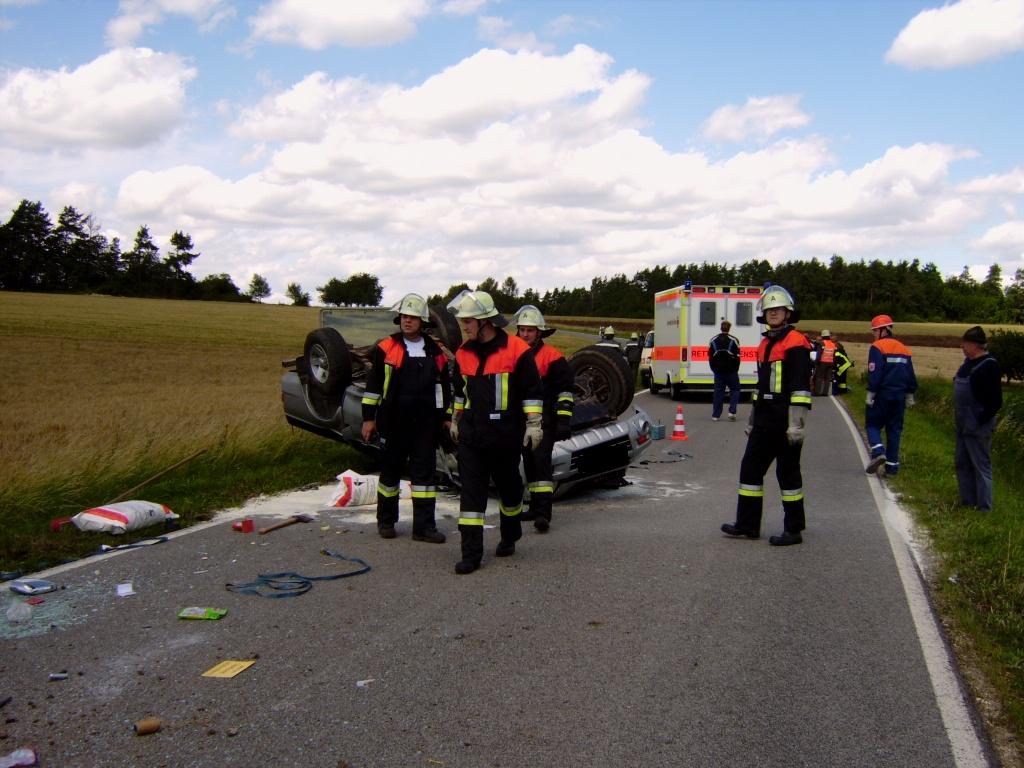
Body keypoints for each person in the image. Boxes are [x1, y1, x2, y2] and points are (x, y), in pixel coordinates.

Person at [447, 290, 544, 574]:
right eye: (462, 321)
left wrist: (534, 424)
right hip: (472, 435)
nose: (464, 327)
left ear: (485, 321)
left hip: (505, 434)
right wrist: (455, 419)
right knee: (471, 493)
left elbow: (531, 391)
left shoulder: (517, 350)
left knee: (509, 487)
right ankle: (471, 554)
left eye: (468, 321)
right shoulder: (463, 352)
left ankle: (510, 533)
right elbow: (459, 392)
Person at [721, 286, 811, 546]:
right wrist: (752, 420)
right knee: (750, 469)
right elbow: (760, 389)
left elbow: (800, 388)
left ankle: (793, 529)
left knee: (788, 475)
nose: (773, 313)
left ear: (788, 313)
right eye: (769, 310)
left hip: (785, 420)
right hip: (763, 420)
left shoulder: (796, 342)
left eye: (778, 309)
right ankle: (747, 524)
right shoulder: (765, 344)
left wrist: (796, 425)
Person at [361, 293, 451, 543]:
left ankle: (424, 528)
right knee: (389, 475)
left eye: (412, 317)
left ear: (422, 322)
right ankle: (386, 522)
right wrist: (369, 419)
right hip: (394, 422)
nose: (407, 321)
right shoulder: (386, 348)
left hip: (426, 425)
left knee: (424, 478)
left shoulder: (435, 352)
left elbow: (443, 388)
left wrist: (445, 417)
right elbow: (373, 387)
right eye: (403, 317)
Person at [513, 305, 575, 533]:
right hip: (519, 421)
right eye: (522, 330)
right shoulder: (513, 354)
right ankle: (533, 507)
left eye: (530, 330)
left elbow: (565, 392)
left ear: (539, 332)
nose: (525, 334)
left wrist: (563, 421)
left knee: (541, 464)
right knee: (529, 464)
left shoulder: (553, 357)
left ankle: (543, 514)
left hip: (545, 421)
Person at [954, 326, 1002, 511]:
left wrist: (979, 419)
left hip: (978, 424)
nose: (962, 346)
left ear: (975, 345)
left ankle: (984, 507)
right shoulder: (967, 364)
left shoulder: (989, 365)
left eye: (965, 343)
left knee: (980, 465)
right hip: (962, 423)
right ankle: (968, 502)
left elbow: (995, 401)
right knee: (962, 463)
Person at [864, 314, 917, 476]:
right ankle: (892, 468)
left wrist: (871, 392)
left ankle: (878, 451)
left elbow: (875, 371)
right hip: (899, 397)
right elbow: (910, 374)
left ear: (883, 330)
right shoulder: (904, 348)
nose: (873, 334)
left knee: (872, 424)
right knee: (894, 430)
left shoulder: (877, 347)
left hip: (882, 394)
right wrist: (910, 393)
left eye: (875, 331)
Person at [708, 320, 741, 421]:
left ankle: (716, 415)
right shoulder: (734, 340)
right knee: (735, 390)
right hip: (731, 371)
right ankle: (732, 412)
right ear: (729, 328)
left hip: (718, 371)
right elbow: (738, 357)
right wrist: (735, 369)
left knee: (718, 392)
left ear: (721, 328)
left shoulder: (713, 340)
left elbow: (710, 358)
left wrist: (714, 369)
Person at [811, 330, 837, 396]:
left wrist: (816, 362)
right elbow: (834, 355)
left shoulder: (822, 343)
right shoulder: (833, 344)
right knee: (827, 378)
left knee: (819, 377)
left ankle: (817, 392)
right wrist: (833, 363)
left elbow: (819, 354)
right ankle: (825, 393)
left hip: (822, 363)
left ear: (823, 336)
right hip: (830, 363)